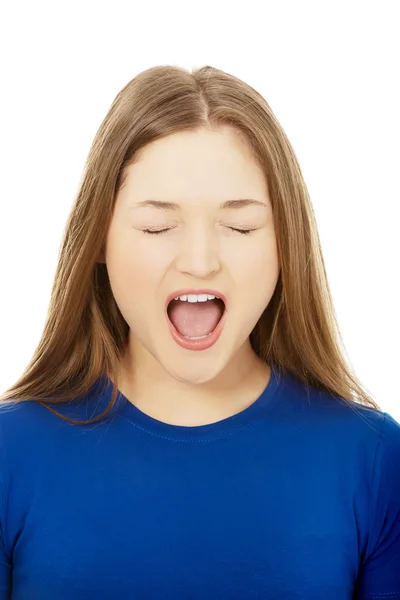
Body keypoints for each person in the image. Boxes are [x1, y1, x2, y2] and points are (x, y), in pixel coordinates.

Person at [0, 64, 399, 599]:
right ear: (98, 239)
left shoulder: (373, 460)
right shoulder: (11, 454)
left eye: (240, 226)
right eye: (158, 226)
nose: (201, 261)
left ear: (286, 246)